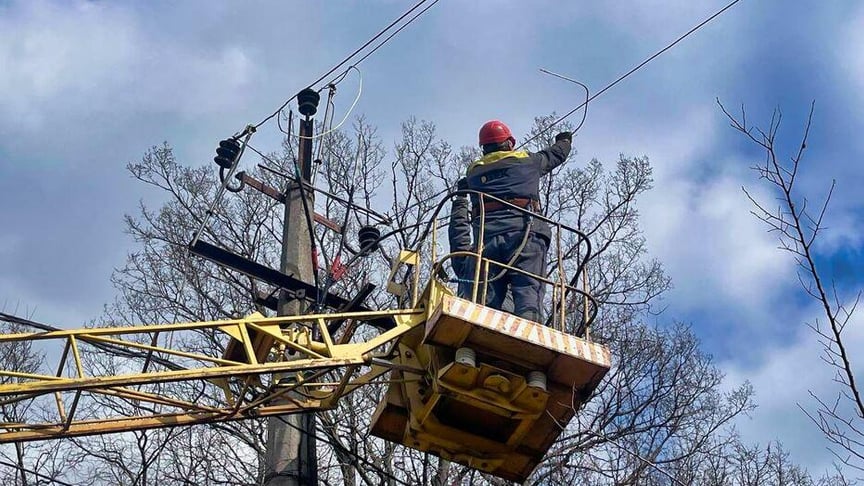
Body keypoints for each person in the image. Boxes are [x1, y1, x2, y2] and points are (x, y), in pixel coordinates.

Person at [465, 119, 572, 323]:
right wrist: (564, 141)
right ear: (510, 143)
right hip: (524, 236)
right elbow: (555, 155)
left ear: (484, 149)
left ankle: (482, 334)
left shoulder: (473, 174)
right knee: (528, 290)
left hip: (486, 242)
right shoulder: (527, 162)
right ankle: (529, 331)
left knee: (488, 297)